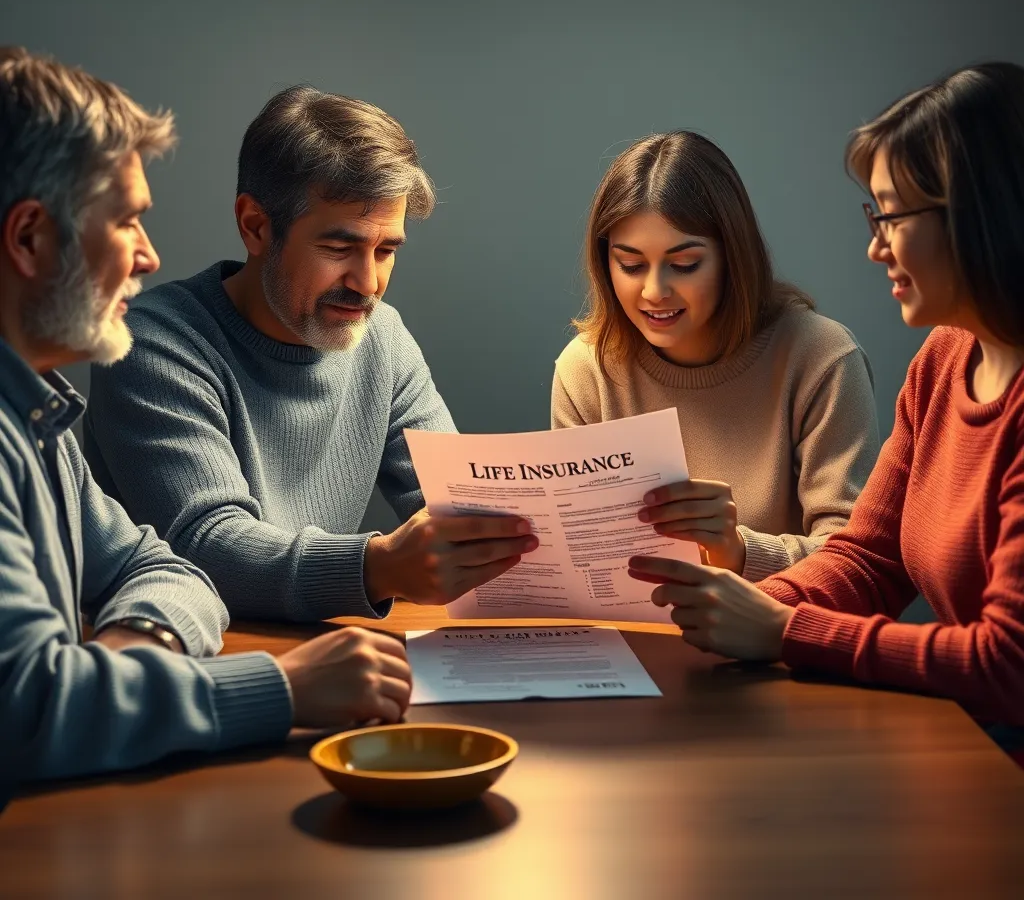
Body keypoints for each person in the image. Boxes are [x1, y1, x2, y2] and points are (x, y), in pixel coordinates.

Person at [0, 47, 414, 785]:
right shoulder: (137, 351)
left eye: (387, 250)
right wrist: (282, 690)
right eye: (127, 221)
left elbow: (158, 564)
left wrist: (132, 657)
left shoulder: (40, 412)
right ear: (29, 238)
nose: (149, 256)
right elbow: (33, 711)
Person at [628, 63, 1024, 744]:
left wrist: (784, 630)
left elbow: (1008, 665)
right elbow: (871, 559)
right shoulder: (945, 359)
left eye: (892, 217)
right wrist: (740, 610)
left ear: (978, 214)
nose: (875, 247)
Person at [84, 85, 537, 622]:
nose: (367, 284)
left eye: (386, 250)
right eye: (339, 248)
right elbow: (203, 546)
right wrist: (379, 566)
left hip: (324, 651)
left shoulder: (382, 338)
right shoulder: (152, 343)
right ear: (255, 226)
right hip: (178, 661)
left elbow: (452, 501)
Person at [552, 131, 879, 581]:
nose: (653, 291)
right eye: (629, 265)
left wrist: (738, 551)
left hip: (776, 646)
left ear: (732, 256)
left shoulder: (821, 358)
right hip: (631, 644)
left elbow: (855, 565)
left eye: (684, 265)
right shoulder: (586, 370)